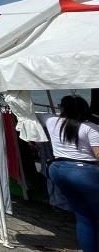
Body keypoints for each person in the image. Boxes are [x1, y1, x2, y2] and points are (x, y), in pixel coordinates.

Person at [41, 95, 99, 252]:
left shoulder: (51, 121)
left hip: (58, 170)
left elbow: (32, 113)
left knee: (83, 216)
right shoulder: (90, 128)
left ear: (63, 108)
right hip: (84, 172)